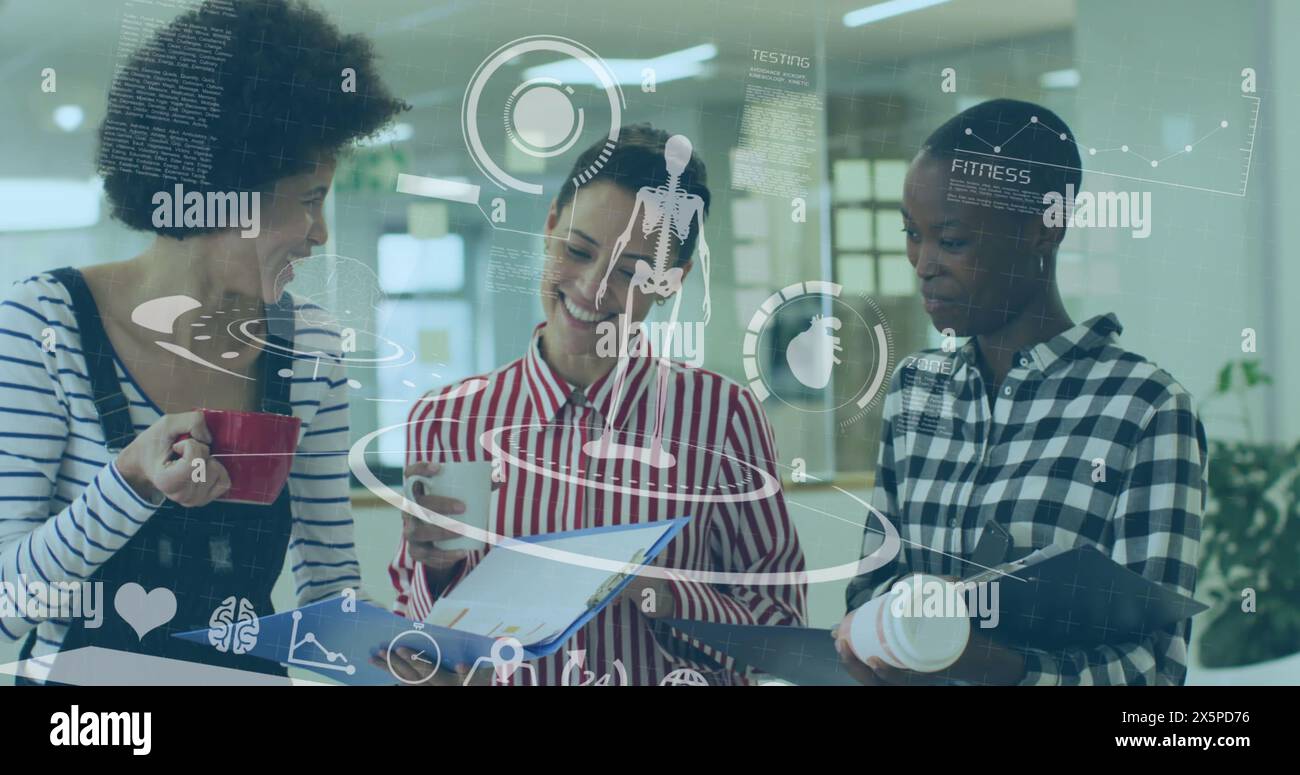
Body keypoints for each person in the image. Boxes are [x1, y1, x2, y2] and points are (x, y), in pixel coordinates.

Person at [0, 0, 407, 682]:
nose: (321, 233)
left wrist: (411, 658)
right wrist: (129, 482)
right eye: (310, 198)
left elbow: (329, 591)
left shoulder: (308, 348)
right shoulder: (43, 325)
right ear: (227, 186)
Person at [381, 125, 807, 686]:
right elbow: (415, 641)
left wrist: (660, 592)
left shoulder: (723, 417)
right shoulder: (447, 419)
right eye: (578, 251)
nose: (592, 289)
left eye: (631, 272)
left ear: (672, 281)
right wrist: (431, 574)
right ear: (550, 224)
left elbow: (781, 631)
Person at [837, 99, 1207, 686]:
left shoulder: (1146, 408)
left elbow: (1154, 671)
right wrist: (878, 630)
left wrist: (982, 662)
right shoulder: (916, 389)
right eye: (913, 234)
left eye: (951, 241)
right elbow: (871, 587)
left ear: (1044, 227)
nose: (923, 264)